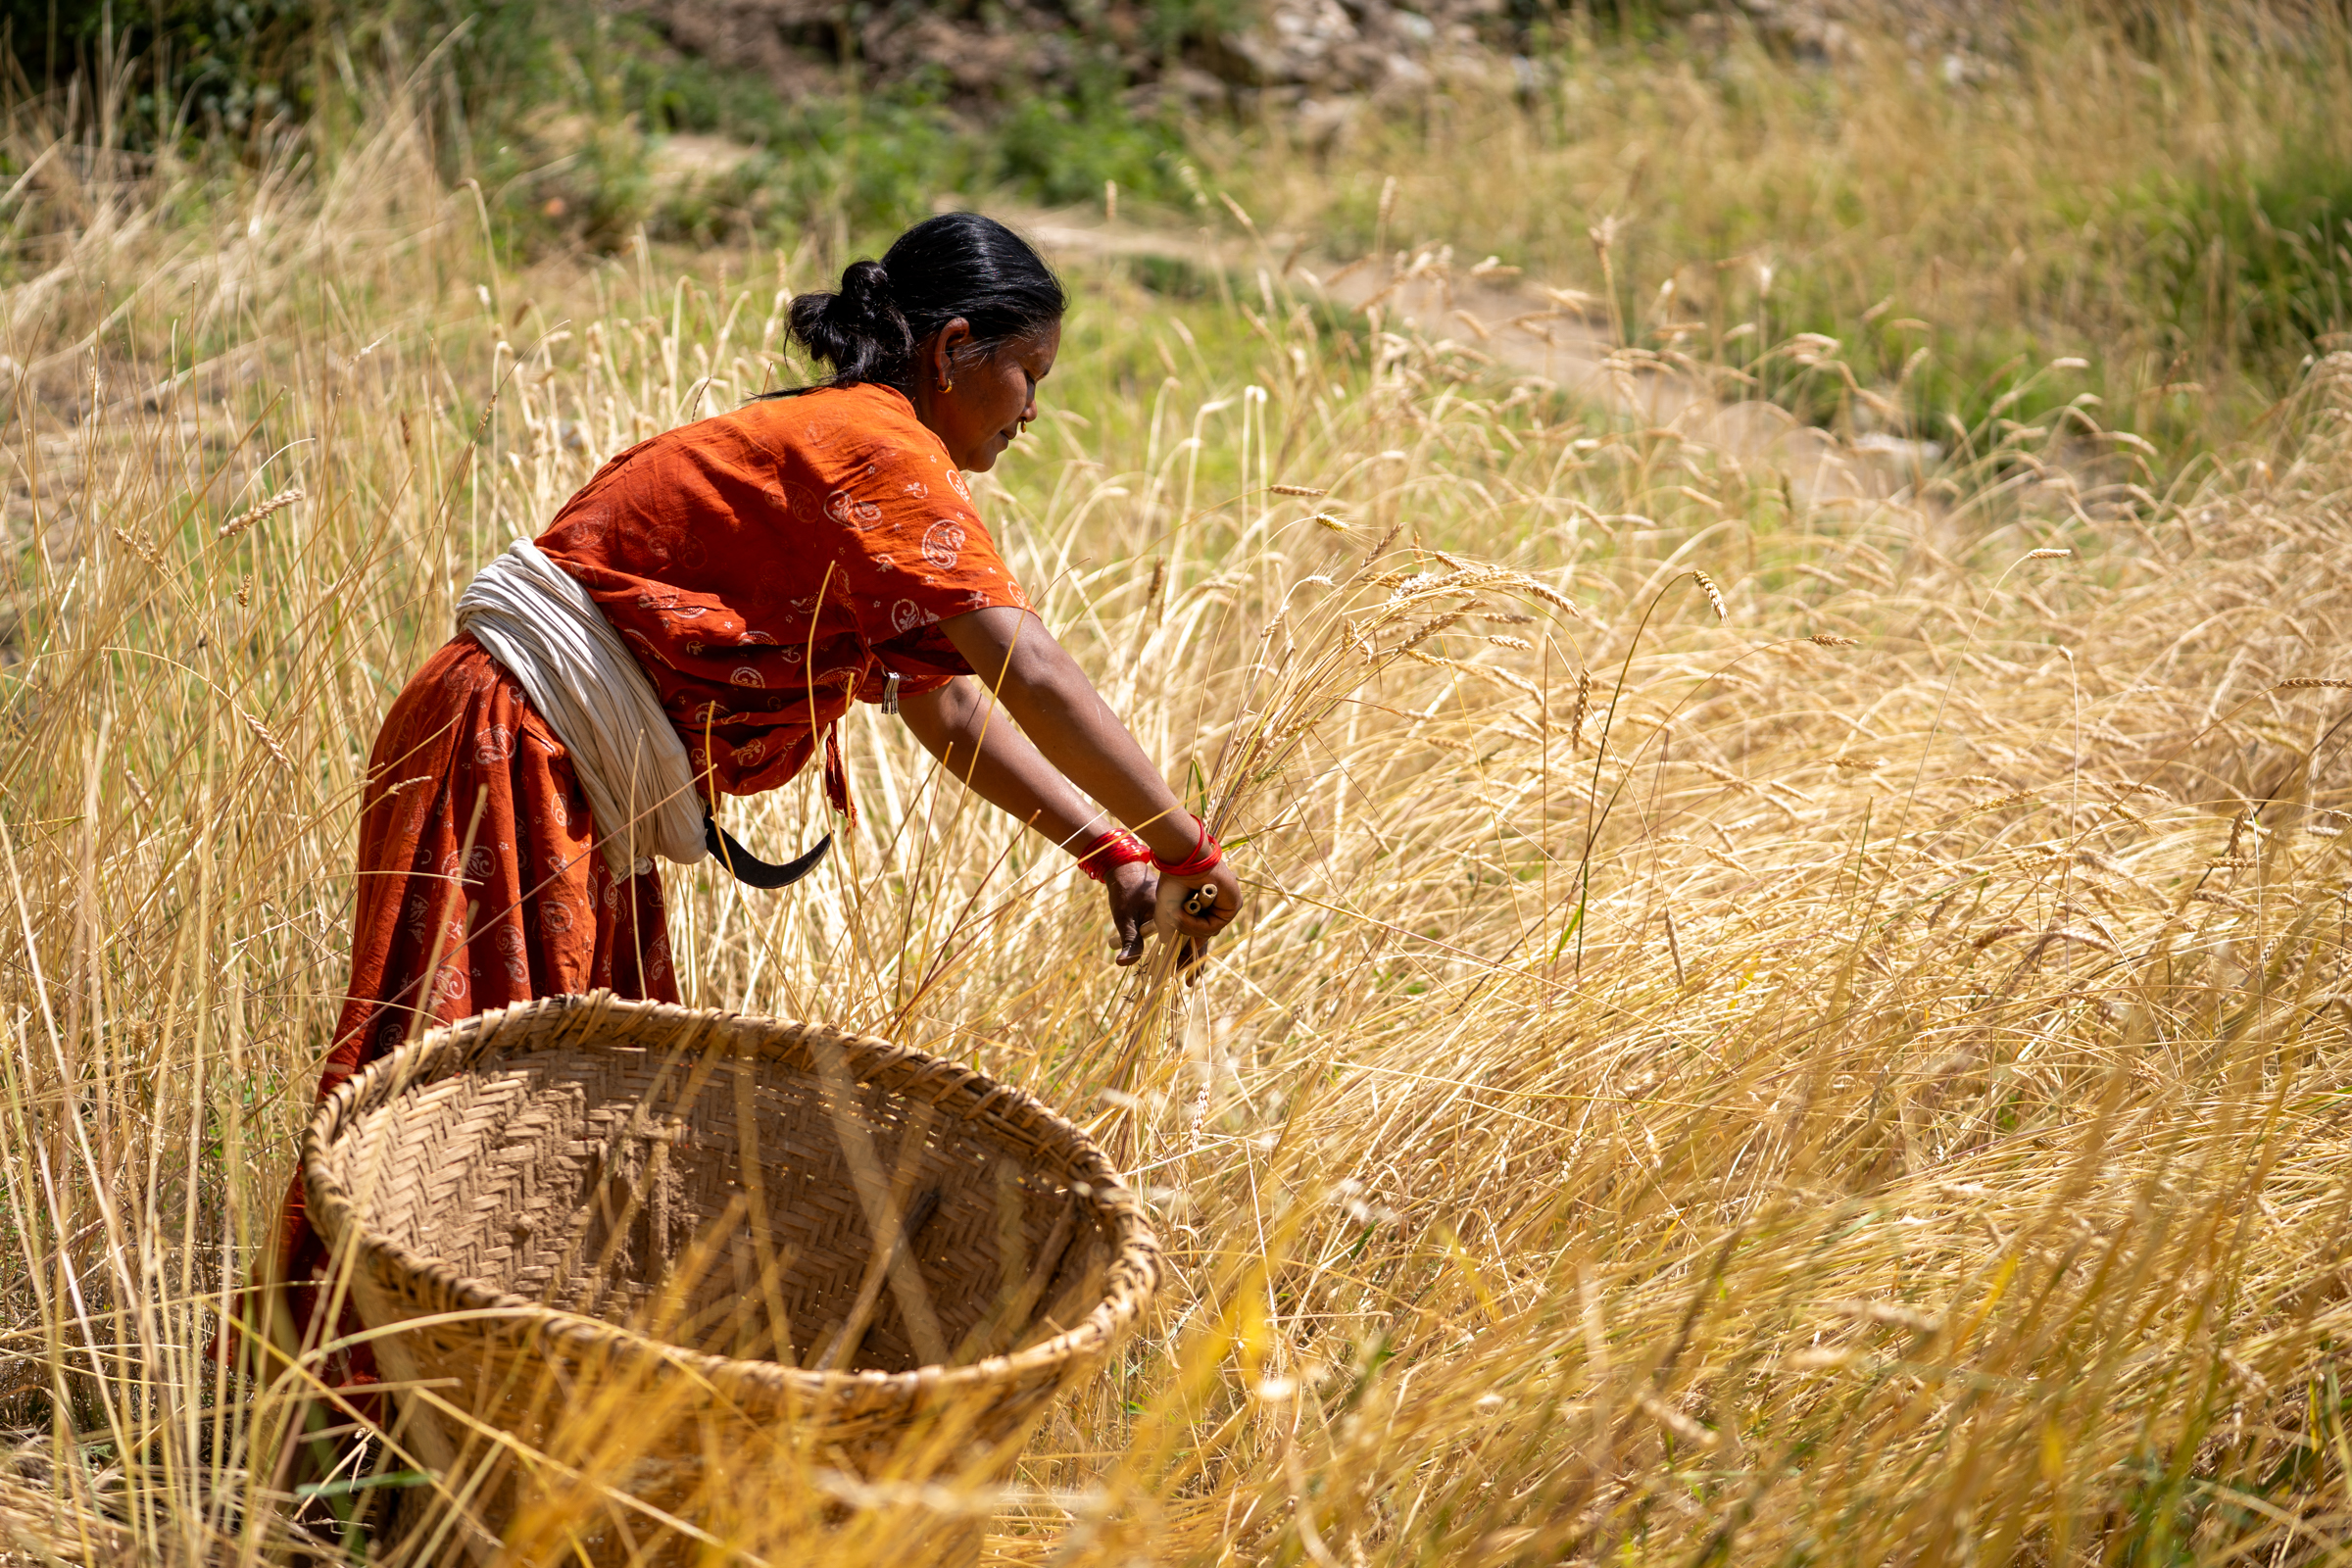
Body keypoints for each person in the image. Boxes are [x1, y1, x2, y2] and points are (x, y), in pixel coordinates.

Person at [265, 211, 1242, 1389]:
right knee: (466, 1112)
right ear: (957, 349)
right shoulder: (880, 450)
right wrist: (1189, 848)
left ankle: (500, 1428)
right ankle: (367, 1423)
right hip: (509, 746)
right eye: (1028, 372)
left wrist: (1111, 851)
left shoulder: (869, 461)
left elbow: (950, 710)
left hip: (562, 767)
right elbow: (1025, 670)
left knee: (568, 1115)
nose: (1034, 408)